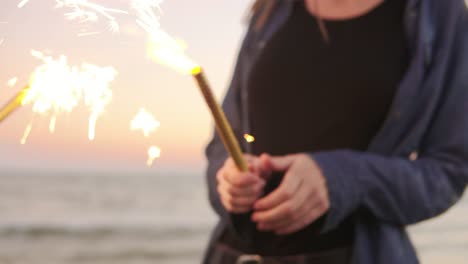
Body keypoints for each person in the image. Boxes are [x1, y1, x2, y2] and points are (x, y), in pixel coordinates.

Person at [203, 0, 468, 263]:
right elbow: (222, 147)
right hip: (233, 254)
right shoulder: (271, 7)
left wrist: (343, 178)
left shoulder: (437, 12)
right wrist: (230, 181)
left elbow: (449, 171)